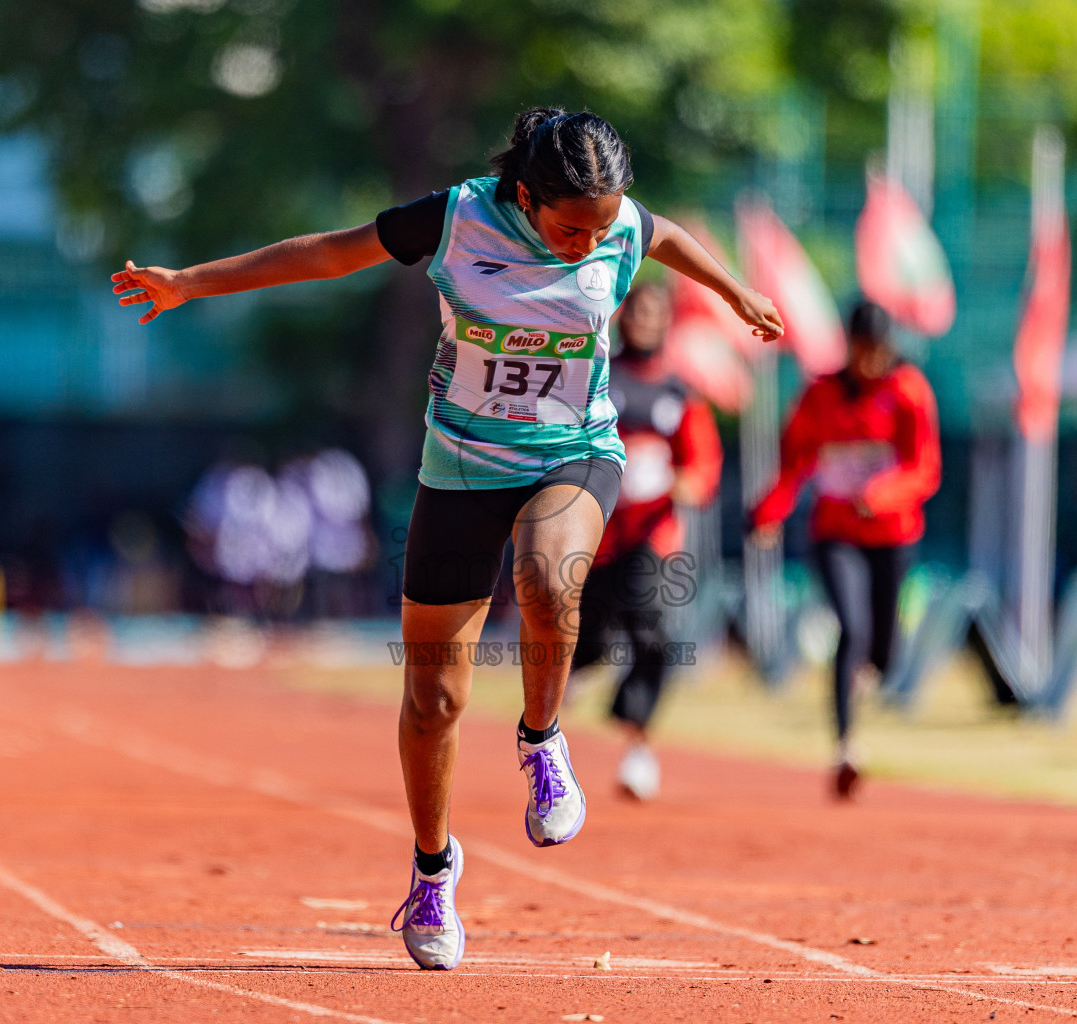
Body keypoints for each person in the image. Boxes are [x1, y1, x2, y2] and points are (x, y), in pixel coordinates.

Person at [112, 107, 782, 970]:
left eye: (604, 226)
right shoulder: (458, 217)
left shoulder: (617, 224)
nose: (590, 243)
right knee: (433, 700)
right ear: (525, 194)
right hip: (462, 465)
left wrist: (734, 292)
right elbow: (327, 252)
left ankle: (543, 741)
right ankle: (433, 872)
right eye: (571, 228)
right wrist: (190, 283)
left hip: (574, 449)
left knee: (548, 576)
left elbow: (667, 236)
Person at [747, 300, 939, 801]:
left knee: (884, 652)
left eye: (879, 350)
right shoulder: (820, 395)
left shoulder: (909, 391)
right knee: (849, 629)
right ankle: (846, 747)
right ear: (850, 346)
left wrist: (881, 495)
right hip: (835, 533)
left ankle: (872, 672)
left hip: (893, 534)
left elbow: (925, 468)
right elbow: (795, 463)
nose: (870, 360)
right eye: (862, 349)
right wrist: (769, 511)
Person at [570, 282, 722, 800]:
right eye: (635, 310)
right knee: (586, 640)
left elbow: (702, 461)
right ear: (622, 316)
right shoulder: (597, 379)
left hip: (653, 534)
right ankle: (578, 673)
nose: (643, 320)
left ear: (667, 321)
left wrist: (689, 483)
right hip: (596, 532)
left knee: (652, 633)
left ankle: (638, 748)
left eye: (654, 312)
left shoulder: (679, 394)